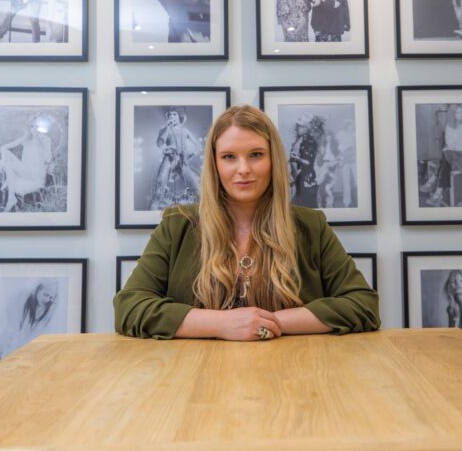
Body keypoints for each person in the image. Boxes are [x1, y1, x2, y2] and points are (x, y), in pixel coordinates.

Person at [114, 105, 379, 341]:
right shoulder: (176, 225)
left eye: (256, 155)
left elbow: (363, 304)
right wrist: (221, 324)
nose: (243, 169)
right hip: (195, 379)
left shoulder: (311, 225)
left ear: (273, 159)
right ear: (214, 164)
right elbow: (130, 307)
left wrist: (267, 323)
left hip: (295, 377)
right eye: (229, 157)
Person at [0, 115, 53, 212]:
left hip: (35, 173)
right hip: (25, 169)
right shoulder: (26, 138)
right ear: (29, 128)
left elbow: (48, 159)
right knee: (6, 154)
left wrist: (43, 143)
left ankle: (10, 193)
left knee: (8, 166)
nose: (34, 129)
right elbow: (4, 147)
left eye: (37, 127)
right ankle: (12, 197)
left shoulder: (45, 140)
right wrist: (3, 161)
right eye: (31, 126)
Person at [148, 107, 203, 210]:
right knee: (158, 191)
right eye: (170, 114)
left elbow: (198, 145)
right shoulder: (164, 129)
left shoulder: (184, 130)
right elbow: (159, 143)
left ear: (179, 116)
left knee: (197, 190)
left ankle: (201, 217)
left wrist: (191, 153)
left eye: (174, 114)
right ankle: (149, 218)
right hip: (169, 160)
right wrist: (166, 129)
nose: (172, 116)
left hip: (182, 161)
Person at [427, 105, 462, 207]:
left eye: (461, 112)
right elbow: (449, 143)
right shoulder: (448, 126)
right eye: (457, 112)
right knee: (446, 157)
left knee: (445, 157)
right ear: (453, 114)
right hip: (451, 154)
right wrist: (450, 149)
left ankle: (434, 180)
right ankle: (439, 192)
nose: (460, 115)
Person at [288, 114, 322, 208]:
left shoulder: (309, 141)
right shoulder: (300, 140)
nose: (299, 128)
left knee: (306, 207)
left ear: (307, 128)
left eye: (302, 126)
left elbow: (309, 163)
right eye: (298, 125)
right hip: (299, 179)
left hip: (306, 179)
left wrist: (296, 158)